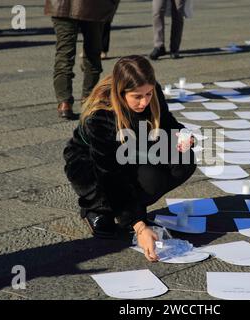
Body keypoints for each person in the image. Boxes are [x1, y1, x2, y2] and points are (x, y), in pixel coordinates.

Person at [63, 55, 197, 262]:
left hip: (130, 151)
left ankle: (130, 207)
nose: (144, 102)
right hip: (90, 164)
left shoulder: (150, 91)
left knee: (183, 160)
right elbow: (109, 173)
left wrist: (183, 135)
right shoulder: (101, 115)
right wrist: (139, 225)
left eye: (148, 94)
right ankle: (98, 208)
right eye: (137, 96)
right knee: (138, 181)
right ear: (120, 92)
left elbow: (168, 123)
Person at [44, 0, 119, 119]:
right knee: (92, 54)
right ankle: (88, 101)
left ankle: (64, 103)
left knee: (64, 55)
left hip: (61, 5)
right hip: (93, 6)